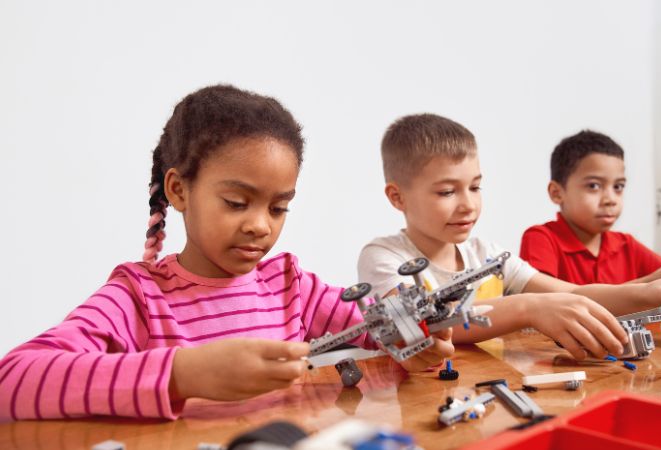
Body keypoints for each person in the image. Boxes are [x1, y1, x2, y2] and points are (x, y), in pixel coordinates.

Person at [0, 86, 452, 421]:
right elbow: (11, 381)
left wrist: (417, 341)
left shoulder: (291, 285)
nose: (260, 224)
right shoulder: (138, 297)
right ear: (179, 190)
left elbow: (386, 328)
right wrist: (184, 375)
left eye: (278, 207)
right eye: (237, 203)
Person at [358, 114, 661, 360]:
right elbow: (423, 323)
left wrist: (653, 287)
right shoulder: (383, 256)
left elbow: (574, 294)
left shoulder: (487, 254)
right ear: (397, 197)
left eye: (475, 186)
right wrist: (528, 306)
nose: (468, 204)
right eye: (447, 192)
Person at [519, 130, 661, 293]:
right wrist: (654, 282)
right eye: (593, 186)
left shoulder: (626, 245)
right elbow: (544, 303)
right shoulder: (541, 239)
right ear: (557, 193)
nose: (610, 199)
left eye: (618, 187)